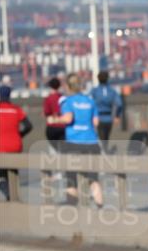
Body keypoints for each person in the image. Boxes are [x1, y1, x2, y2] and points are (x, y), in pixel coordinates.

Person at [59, 73, 104, 207]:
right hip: (91, 142)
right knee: (93, 178)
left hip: (74, 143)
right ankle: (100, 207)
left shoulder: (68, 102)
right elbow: (96, 122)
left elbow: (68, 119)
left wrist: (55, 119)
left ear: (68, 86)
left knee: (71, 178)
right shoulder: (90, 101)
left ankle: (72, 207)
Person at [0, 84, 32, 200]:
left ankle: (7, 194)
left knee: (1, 174)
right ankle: (14, 195)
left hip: (0, 147)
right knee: (13, 172)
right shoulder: (16, 109)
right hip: (15, 145)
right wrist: (19, 135)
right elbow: (28, 126)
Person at [92, 71, 124, 147]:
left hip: (98, 118)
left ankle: (103, 153)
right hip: (109, 118)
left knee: (100, 138)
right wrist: (117, 115)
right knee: (106, 138)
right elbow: (119, 104)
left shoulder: (94, 91)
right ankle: (104, 152)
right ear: (107, 79)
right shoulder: (112, 91)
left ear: (98, 79)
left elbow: (88, 102)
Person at [43, 77, 64, 148]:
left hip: (52, 126)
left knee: (53, 149)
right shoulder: (63, 97)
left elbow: (46, 112)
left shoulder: (48, 98)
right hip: (62, 125)